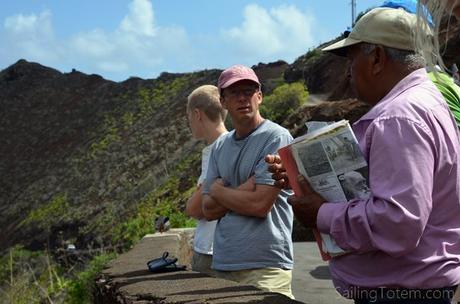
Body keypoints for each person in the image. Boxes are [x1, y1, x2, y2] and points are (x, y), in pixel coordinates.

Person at [268, 7, 460, 304]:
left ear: (377, 58)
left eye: (352, 58)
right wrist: (301, 178)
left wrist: (320, 213)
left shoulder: (398, 117)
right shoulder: (429, 102)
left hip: (402, 294)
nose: (348, 71)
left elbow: (398, 223)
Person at [201, 65, 295, 298]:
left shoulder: (276, 137)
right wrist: (247, 187)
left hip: (266, 267)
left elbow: (259, 205)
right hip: (224, 264)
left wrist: (217, 190)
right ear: (222, 101)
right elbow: (208, 209)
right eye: (234, 92)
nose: (243, 97)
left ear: (260, 96)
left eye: (249, 90)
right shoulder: (220, 146)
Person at [185, 85, 228, 276]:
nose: (189, 123)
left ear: (197, 114)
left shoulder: (220, 149)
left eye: (189, 118)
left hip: (212, 251)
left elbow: (195, 209)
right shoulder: (226, 146)